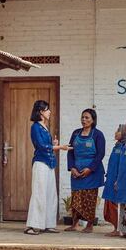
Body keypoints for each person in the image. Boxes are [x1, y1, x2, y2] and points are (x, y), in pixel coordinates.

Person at [25, 100, 70, 235]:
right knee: (39, 193)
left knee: (51, 194)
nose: (49, 112)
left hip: (49, 164)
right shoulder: (35, 127)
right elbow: (41, 146)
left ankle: (49, 224)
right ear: (40, 112)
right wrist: (59, 147)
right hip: (40, 164)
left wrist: (54, 143)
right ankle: (33, 225)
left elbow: (48, 145)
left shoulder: (44, 127)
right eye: (47, 109)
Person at [65, 109, 105, 233]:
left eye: (87, 118)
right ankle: (75, 224)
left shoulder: (98, 134)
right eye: (82, 117)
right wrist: (72, 168)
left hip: (92, 172)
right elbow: (70, 151)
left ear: (93, 120)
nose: (84, 120)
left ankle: (89, 225)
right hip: (76, 171)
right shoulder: (75, 133)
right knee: (76, 197)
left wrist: (90, 168)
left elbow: (100, 154)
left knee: (89, 198)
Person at [103, 124, 125, 237]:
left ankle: (119, 229)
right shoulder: (116, 146)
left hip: (117, 179)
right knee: (110, 203)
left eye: (118, 131)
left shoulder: (124, 147)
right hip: (111, 178)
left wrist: (118, 179)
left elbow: (122, 165)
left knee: (116, 203)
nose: (115, 133)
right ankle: (116, 228)